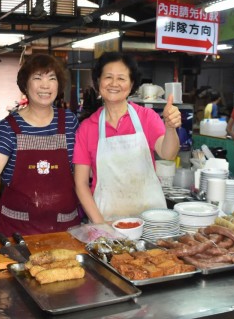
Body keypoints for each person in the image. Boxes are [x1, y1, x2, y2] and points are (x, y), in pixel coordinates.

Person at [0, 54, 81, 235]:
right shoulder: (8, 127)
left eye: (52, 78)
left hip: (65, 229)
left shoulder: (70, 121)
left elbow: (82, 171)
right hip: (18, 229)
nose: (45, 85)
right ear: (25, 84)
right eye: (37, 78)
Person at [73, 52, 181, 223]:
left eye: (122, 78)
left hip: (152, 220)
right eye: (108, 77)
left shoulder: (147, 117)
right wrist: (101, 224)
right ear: (98, 81)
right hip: (106, 219)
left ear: (131, 84)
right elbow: (80, 184)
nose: (114, 84)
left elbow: (168, 154)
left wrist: (170, 128)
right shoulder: (87, 128)